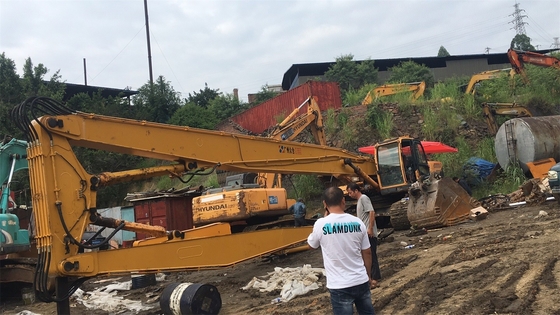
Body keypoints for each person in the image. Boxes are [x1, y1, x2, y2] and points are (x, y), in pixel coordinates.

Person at [307, 187, 376, 315]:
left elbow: (312, 245)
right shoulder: (358, 222)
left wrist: (324, 217)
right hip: (360, 280)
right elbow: (367, 252)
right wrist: (368, 277)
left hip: (339, 285)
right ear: (343, 200)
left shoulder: (321, 224)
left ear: (325, 204)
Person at [347, 182, 381, 288]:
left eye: (350, 192)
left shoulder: (364, 198)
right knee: (367, 255)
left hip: (369, 233)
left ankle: (374, 278)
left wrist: (370, 228)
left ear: (356, 191)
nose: (349, 195)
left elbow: (371, 212)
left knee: (371, 255)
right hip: (365, 233)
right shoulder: (359, 201)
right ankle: (371, 277)